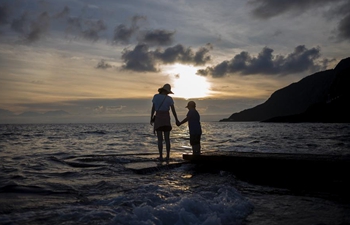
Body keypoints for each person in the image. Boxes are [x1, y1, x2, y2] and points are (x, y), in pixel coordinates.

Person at [150, 84, 180, 161]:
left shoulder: (156, 96)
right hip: (166, 118)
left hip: (158, 118)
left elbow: (153, 109)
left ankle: (160, 156)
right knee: (167, 139)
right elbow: (173, 111)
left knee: (160, 139)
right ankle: (167, 156)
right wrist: (176, 119)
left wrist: (151, 118)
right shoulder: (169, 99)